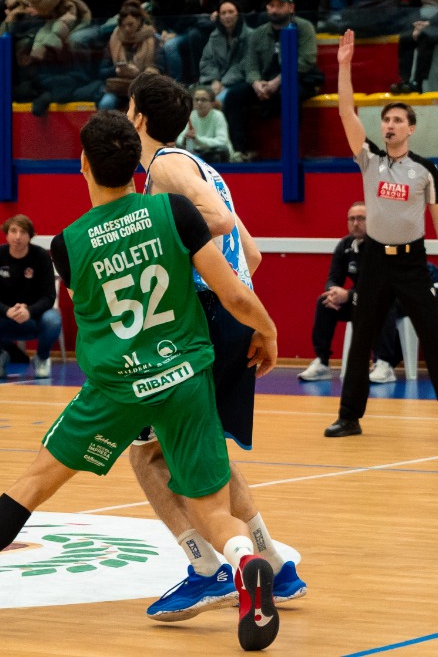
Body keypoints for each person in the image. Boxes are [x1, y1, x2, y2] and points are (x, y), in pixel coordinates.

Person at [0, 111, 282, 650]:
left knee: (32, 484)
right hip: (183, 376)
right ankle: (246, 562)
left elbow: (90, 307)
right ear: (136, 163)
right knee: (211, 510)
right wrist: (268, 330)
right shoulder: (175, 212)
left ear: (83, 164)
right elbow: (231, 293)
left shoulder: (65, 246)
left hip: (116, 387)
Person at [126, 73, 305, 619]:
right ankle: (272, 563)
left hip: (200, 319)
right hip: (229, 315)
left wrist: (157, 239)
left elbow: (220, 221)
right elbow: (249, 256)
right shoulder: (201, 165)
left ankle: (207, 569)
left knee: (147, 452)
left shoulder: (164, 168)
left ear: (137, 118)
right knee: (207, 453)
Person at [327, 30, 438, 441]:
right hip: (376, 260)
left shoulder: (425, 170)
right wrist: (344, 66)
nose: (390, 125)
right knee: (362, 338)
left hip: (413, 261)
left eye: (398, 120)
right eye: (387, 120)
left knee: (436, 341)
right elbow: (346, 113)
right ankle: (349, 417)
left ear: (411, 129)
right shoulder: (369, 161)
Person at [298, 202, 403, 381]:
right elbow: (333, 278)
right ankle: (322, 362)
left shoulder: (384, 245)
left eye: (361, 218)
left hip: (396, 299)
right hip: (360, 300)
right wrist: (333, 293)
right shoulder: (346, 245)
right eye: (352, 219)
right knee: (324, 302)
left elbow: (380, 286)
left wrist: (348, 295)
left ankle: (384, 363)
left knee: (383, 301)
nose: (356, 223)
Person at [223, 0, 323, 158]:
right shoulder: (258, 33)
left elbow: (307, 60)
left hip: (299, 79)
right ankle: (240, 151)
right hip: (266, 82)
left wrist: (278, 81)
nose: (274, 9)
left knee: (289, 93)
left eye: (279, 5)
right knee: (234, 96)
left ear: (291, 7)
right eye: (271, 6)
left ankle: (291, 152)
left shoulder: (305, 27)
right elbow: (250, 65)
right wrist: (256, 83)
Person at [0, 215, 61, 379]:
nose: (18, 236)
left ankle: (41, 358)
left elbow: (49, 297)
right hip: (3, 318)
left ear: (30, 236)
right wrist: (7, 311)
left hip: (33, 319)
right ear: (6, 233)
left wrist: (29, 310)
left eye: (23, 232)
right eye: (13, 231)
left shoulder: (41, 257)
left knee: (53, 319)